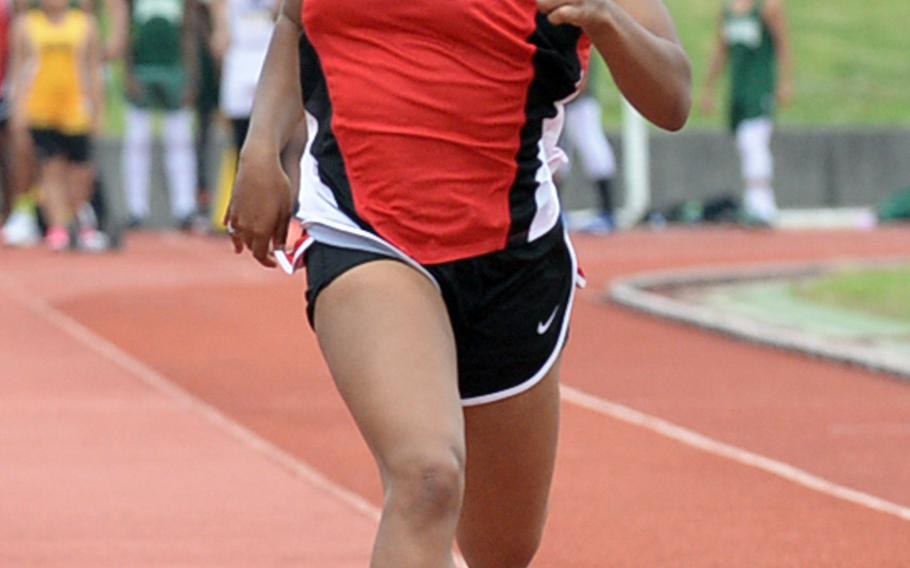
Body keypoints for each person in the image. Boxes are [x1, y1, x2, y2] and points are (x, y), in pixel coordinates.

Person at [225, 0, 690, 566]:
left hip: (512, 255)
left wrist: (605, 18)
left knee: (502, 551)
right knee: (428, 480)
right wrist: (260, 148)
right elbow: (295, 20)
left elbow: (673, 100)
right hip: (363, 229)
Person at [10, 0, 106, 251]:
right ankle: (58, 228)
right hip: (41, 108)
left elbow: (93, 69)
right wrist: (19, 109)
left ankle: (79, 222)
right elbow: (19, 70)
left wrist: (98, 109)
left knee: (80, 173)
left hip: (75, 109)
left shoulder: (85, 25)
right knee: (50, 169)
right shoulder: (27, 25)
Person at [700, 0, 793, 225]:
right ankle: (755, 202)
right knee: (744, 142)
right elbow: (721, 51)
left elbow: (783, 44)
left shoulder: (768, 8)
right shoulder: (728, 11)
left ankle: (762, 204)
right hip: (738, 89)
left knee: (755, 141)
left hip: (759, 87)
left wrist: (785, 81)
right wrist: (709, 87)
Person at [122, 0, 198, 229]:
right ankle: (135, 208)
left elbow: (188, 33)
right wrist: (128, 73)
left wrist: (190, 76)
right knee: (137, 141)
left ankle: (185, 207)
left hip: (173, 70)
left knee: (180, 141)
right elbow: (126, 32)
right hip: (143, 69)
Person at [563, 56, 618, 234]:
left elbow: (583, 73)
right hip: (562, 104)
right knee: (557, 159)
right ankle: (555, 213)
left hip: (579, 104)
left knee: (594, 153)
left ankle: (608, 211)